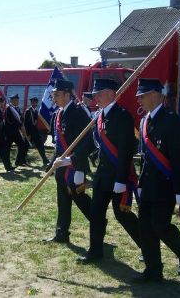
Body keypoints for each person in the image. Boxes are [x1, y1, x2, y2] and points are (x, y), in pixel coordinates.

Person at [65, 78, 141, 263]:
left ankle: (147, 247)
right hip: (102, 176)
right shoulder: (99, 116)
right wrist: (72, 158)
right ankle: (95, 251)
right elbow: (91, 143)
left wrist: (121, 180)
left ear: (111, 93)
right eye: (95, 94)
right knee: (96, 214)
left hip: (117, 177)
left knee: (123, 215)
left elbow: (125, 150)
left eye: (99, 94)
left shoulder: (122, 116)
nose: (95, 98)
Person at [132, 78, 180, 282]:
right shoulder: (144, 121)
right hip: (148, 186)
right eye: (138, 96)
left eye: (143, 95)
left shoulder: (171, 120)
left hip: (166, 185)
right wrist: (140, 185)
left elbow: (179, 158)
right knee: (145, 228)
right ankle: (153, 270)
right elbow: (145, 158)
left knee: (160, 226)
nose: (139, 100)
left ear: (156, 95)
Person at [43, 79, 92, 243]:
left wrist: (73, 160)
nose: (54, 97)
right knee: (62, 202)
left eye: (57, 94)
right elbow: (58, 143)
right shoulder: (58, 114)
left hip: (75, 167)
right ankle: (61, 233)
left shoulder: (79, 113)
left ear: (67, 94)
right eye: (53, 94)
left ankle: (99, 222)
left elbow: (89, 141)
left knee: (81, 200)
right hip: (61, 168)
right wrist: (51, 164)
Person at [24, 97, 49, 167]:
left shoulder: (35, 111)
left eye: (36, 102)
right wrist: (28, 135)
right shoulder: (28, 111)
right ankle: (21, 160)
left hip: (35, 132)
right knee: (25, 147)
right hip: (30, 133)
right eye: (33, 102)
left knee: (40, 145)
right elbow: (26, 124)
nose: (35, 104)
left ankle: (45, 159)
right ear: (31, 103)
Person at [4, 94, 27, 167]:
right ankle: (8, 165)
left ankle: (18, 161)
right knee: (7, 149)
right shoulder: (8, 109)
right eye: (15, 100)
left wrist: (22, 121)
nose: (17, 102)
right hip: (9, 132)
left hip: (16, 132)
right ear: (12, 101)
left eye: (17, 100)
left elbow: (20, 118)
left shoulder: (17, 109)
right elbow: (10, 120)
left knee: (22, 145)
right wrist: (20, 124)